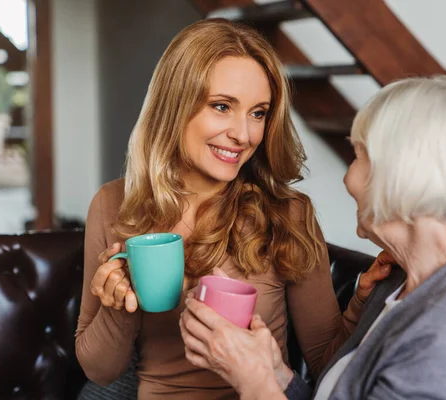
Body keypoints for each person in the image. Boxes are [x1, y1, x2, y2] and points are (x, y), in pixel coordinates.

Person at [75, 18, 391, 400]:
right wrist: (117, 306)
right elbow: (100, 371)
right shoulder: (113, 204)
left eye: (258, 113)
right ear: (174, 106)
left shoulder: (287, 213)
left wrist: (360, 302)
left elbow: (326, 363)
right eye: (222, 106)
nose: (244, 135)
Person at [180, 75, 446, 400]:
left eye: (359, 156)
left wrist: (254, 382)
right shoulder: (400, 282)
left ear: (401, 175)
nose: (348, 177)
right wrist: (276, 371)